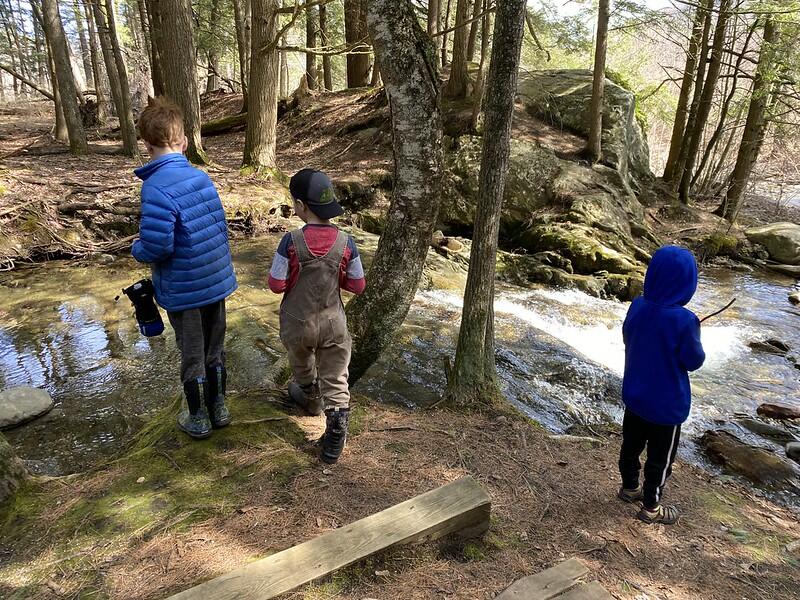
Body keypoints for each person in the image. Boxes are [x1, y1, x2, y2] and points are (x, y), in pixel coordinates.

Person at [132, 97, 237, 440]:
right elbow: (218, 228)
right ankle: (220, 407)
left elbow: (157, 247)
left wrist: (137, 249)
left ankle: (198, 418)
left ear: (146, 145)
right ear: (185, 142)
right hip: (215, 281)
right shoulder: (201, 177)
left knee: (192, 352)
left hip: (184, 289)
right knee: (215, 346)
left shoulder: (155, 187)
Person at [268, 169, 366, 464]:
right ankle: (335, 435)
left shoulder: (290, 241)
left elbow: (276, 284)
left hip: (298, 323)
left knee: (301, 366)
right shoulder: (347, 242)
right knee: (336, 378)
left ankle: (311, 399)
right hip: (333, 323)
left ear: (300, 206)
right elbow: (357, 285)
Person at [617, 245, 705, 525]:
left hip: (635, 397)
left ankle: (629, 487)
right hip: (666, 409)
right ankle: (651, 507)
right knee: (660, 460)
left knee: (630, 447)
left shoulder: (638, 305)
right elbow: (693, 360)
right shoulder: (686, 320)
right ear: (688, 283)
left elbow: (627, 336)